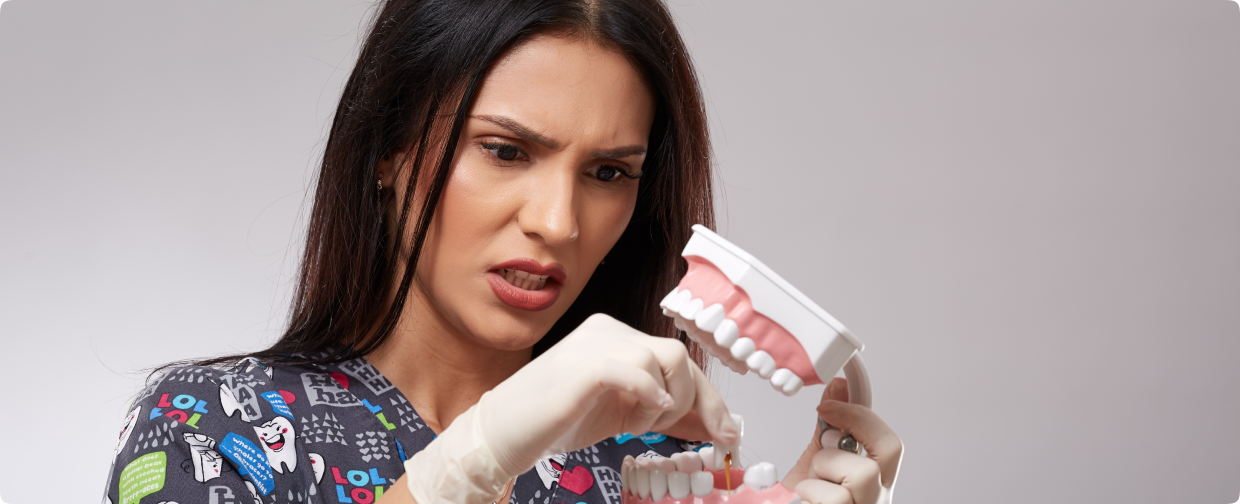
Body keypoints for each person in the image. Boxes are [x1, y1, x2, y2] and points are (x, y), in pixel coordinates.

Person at [102, 1, 903, 503]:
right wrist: (479, 457)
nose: (559, 221)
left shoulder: (659, 470)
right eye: (506, 151)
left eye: (608, 172)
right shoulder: (206, 429)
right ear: (390, 148)